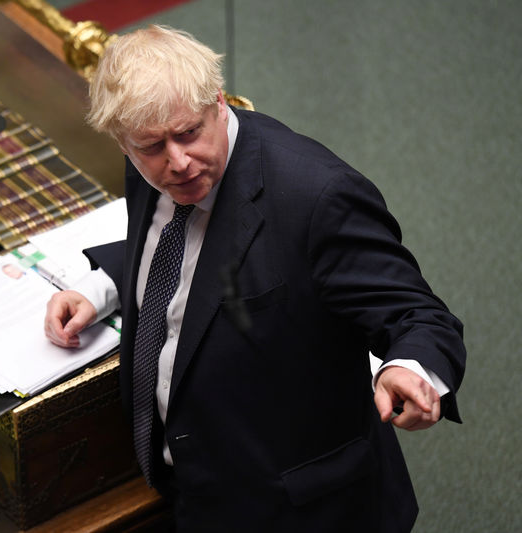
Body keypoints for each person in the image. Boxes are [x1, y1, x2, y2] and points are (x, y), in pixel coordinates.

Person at [44, 25, 466, 532]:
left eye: (189, 133)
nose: (177, 162)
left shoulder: (317, 198)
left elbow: (418, 316)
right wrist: (104, 288)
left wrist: (412, 369)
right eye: (153, 146)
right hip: (197, 489)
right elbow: (176, 248)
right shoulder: (146, 163)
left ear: (218, 103)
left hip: (300, 511)